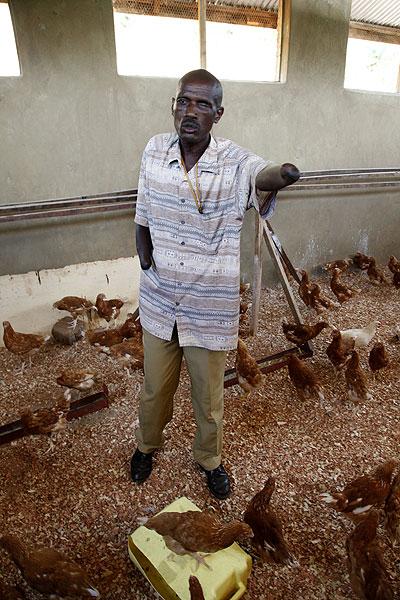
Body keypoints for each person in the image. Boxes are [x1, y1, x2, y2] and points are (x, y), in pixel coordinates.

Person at [131, 69, 299, 499]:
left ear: (218, 114)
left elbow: (261, 174)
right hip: (159, 301)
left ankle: (209, 460)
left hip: (207, 305)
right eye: (184, 101)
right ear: (174, 105)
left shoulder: (233, 161)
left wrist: (283, 173)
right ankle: (147, 447)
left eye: (202, 104)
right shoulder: (153, 150)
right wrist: (144, 253)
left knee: (208, 398)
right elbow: (143, 211)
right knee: (154, 389)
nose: (190, 111)